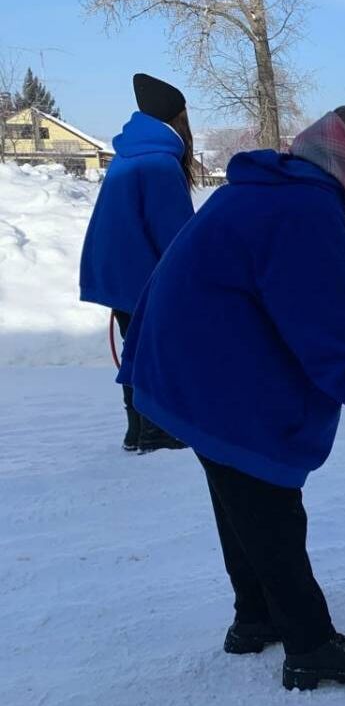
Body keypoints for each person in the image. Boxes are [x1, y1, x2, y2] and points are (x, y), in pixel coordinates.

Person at [116, 106, 345, 690]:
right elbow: (332, 340)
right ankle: (311, 646)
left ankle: (255, 618)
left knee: (237, 497)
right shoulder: (306, 212)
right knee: (270, 510)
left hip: (182, 372)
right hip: (213, 381)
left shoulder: (259, 189)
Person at [79, 73, 195, 453]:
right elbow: (174, 233)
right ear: (177, 119)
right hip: (143, 273)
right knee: (153, 349)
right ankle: (154, 430)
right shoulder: (160, 162)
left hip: (118, 271)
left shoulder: (131, 153)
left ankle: (138, 430)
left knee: (138, 347)